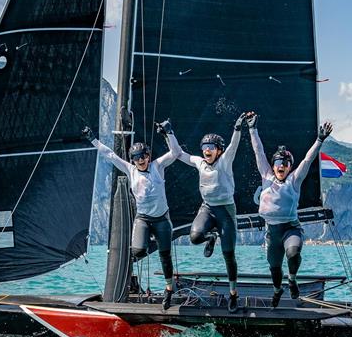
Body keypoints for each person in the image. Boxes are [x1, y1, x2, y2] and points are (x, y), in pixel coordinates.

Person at [84, 121, 181, 310]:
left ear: (148, 156)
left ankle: (169, 289)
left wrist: (169, 132)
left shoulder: (158, 166)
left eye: (143, 156)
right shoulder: (130, 170)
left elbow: (176, 152)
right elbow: (110, 155)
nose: (141, 160)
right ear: (133, 160)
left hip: (162, 218)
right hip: (143, 218)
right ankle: (149, 238)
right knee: (137, 252)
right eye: (136, 158)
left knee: (165, 256)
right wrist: (93, 140)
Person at [247, 112, 332, 307]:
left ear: (289, 166)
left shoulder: (294, 180)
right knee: (274, 268)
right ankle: (278, 289)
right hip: (272, 232)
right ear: (273, 165)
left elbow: (307, 161)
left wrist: (319, 139)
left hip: (290, 229)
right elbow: (258, 151)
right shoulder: (266, 176)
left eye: (285, 164)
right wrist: (252, 129)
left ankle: (292, 279)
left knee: (293, 253)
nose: (281, 166)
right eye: (278, 163)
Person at [176, 113, 245, 312]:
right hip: (207, 208)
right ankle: (210, 237)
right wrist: (169, 134)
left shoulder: (224, 161)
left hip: (226, 211)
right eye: (205, 147)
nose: (207, 151)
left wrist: (238, 127)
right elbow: (180, 154)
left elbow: (234, 145)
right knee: (195, 237)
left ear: (219, 151)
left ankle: (233, 294)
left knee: (228, 254)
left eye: (211, 148)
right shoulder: (199, 162)